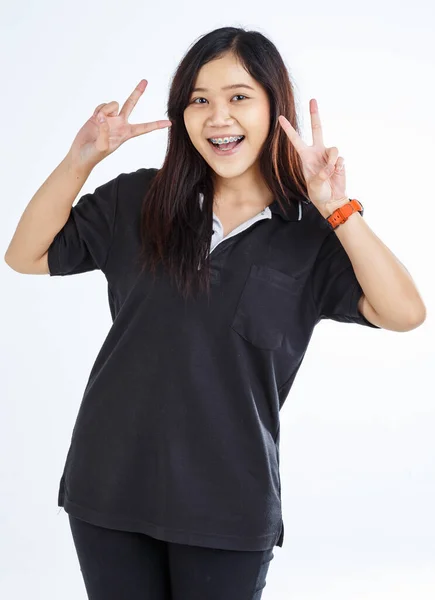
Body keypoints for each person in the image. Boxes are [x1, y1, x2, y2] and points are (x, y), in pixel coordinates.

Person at [4, 26, 426, 600]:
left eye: (238, 97)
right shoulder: (137, 201)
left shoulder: (311, 234)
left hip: (229, 506)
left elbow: (405, 313)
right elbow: (24, 255)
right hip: (109, 488)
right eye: (200, 100)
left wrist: (335, 207)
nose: (218, 117)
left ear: (276, 107)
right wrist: (81, 159)